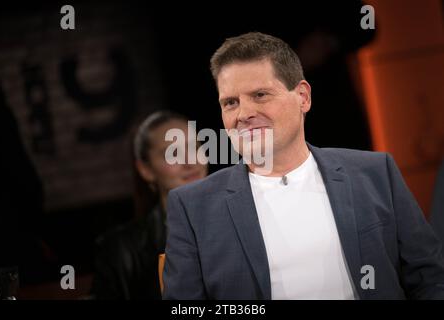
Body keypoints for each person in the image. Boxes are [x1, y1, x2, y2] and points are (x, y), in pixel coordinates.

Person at [163, 32, 444, 300]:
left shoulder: (375, 172)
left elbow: (430, 278)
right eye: (231, 102)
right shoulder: (193, 207)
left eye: (260, 95)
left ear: (303, 97)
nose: (244, 114)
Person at [90, 111, 207, 299]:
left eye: (194, 147)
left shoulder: (240, 221)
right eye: (173, 153)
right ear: (145, 169)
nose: (190, 161)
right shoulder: (121, 250)